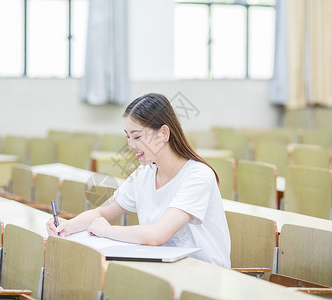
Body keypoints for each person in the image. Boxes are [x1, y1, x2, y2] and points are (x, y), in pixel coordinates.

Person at [46, 93, 231, 268]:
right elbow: (101, 212)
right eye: (128, 136)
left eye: (137, 136)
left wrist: (108, 231)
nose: (131, 145)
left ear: (164, 133)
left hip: (204, 274)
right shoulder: (144, 173)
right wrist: (67, 226)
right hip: (165, 269)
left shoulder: (198, 176)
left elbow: (157, 235)